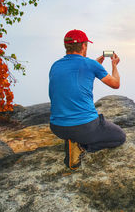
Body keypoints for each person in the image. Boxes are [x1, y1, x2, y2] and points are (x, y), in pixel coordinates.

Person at [49, 29, 126, 170]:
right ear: (84, 46)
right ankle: (81, 145)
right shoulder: (91, 65)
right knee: (120, 136)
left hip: (57, 127)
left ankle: (72, 140)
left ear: (66, 46)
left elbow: (73, 78)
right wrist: (114, 65)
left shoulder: (55, 65)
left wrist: (95, 65)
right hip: (84, 128)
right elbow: (115, 83)